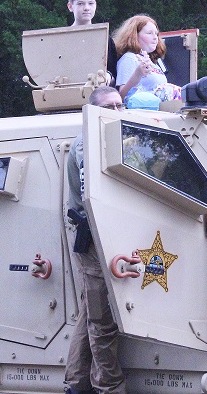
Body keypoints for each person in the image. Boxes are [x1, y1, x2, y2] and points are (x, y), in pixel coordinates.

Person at [64, 85, 126, 394]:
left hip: (101, 236)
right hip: (95, 238)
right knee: (102, 320)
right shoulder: (88, 141)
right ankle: (108, 388)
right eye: (109, 107)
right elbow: (94, 193)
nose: (117, 111)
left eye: (120, 105)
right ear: (93, 112)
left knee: (90, 312)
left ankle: (75, 384)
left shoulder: (112, 137)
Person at [113, 14, 181, 102]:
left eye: (156, 34)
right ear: (134, 35)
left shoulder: (153, 62)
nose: (155, 37)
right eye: (149, 33)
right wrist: (137, 74)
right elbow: (121, 97)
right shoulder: (129, 58)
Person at [67, 0, 119, 79]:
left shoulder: (104, 38)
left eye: (90, 3)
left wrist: (108, 76)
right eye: (80, 3)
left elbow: (113, 73)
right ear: (70, 7)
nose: (86, 8)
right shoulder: (62, 38)